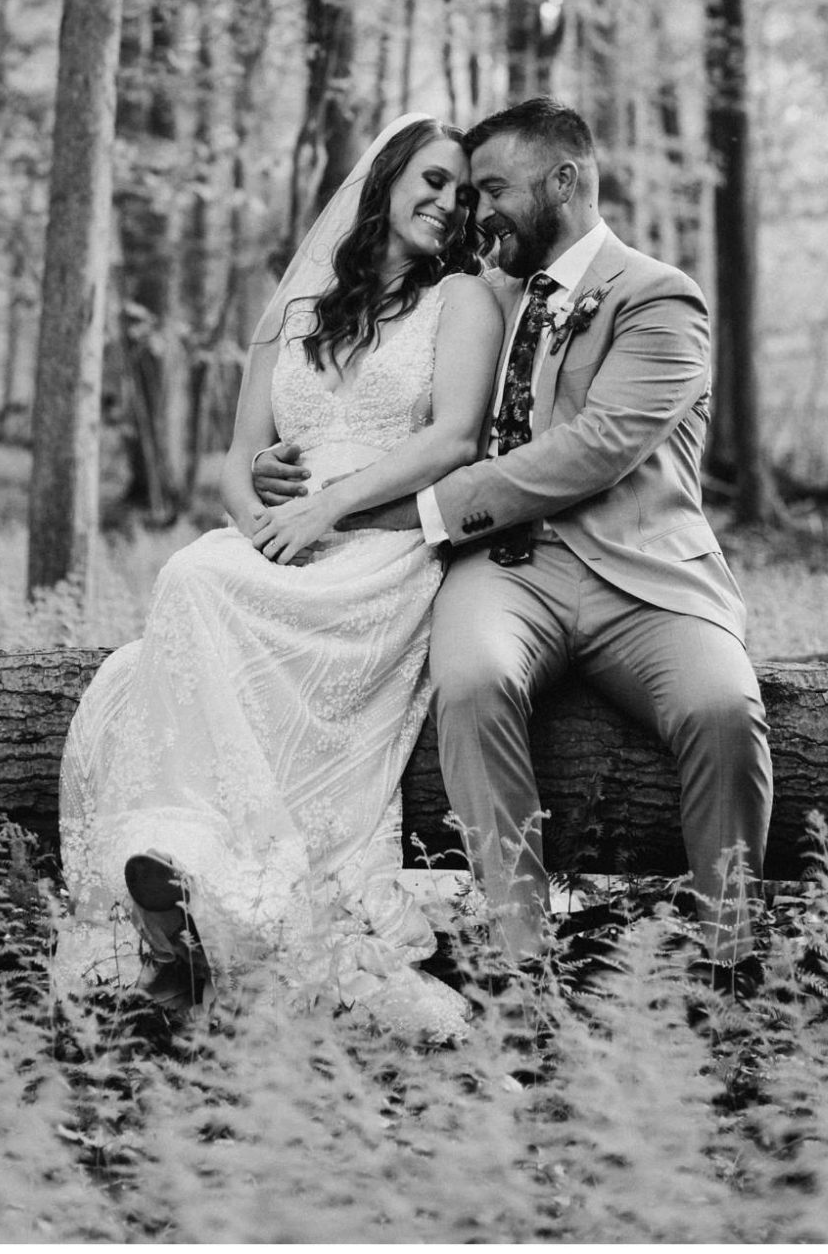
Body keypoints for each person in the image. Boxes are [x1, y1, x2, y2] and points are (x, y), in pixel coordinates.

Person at [254, 96, 773, 989]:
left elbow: (591, 450)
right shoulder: (481, 298)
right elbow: (412, 406)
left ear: (562, 180)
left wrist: (416, 514)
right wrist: (291, 461)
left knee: (724, 712)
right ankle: (521, 959)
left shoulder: (659, 298)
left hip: (642, 579)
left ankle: (727, 960)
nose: (476, 211)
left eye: (494, 188)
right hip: (503, 573)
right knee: (473, 682)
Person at [54, 113, 503, 1042]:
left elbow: (452, 438)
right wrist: (257, 510)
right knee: (184, 592)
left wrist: (324, 510)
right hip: (285, 541)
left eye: (461, 193)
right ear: (380, 181)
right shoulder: (296, 313)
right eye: (430, 179)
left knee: (192, 591)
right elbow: (234, 458)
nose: (447, 204)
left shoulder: (461, 300)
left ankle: (231, 884)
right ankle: (178, 884)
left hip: (379, 550)